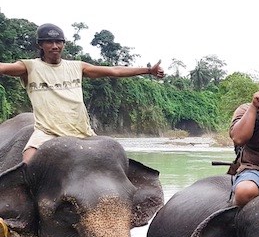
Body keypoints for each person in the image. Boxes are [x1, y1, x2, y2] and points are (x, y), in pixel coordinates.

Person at [0, 23, 165, 162]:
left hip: (82, 132)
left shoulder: (77, 67)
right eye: (49, 42)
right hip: (47, 133)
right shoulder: (29, 67)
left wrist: (148, 70)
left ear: (64, 44)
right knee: (28, 162)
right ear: (40, 45)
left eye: (59, 41)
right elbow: (4, 67)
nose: (55, 46)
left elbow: (114, 71)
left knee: (116, 162)